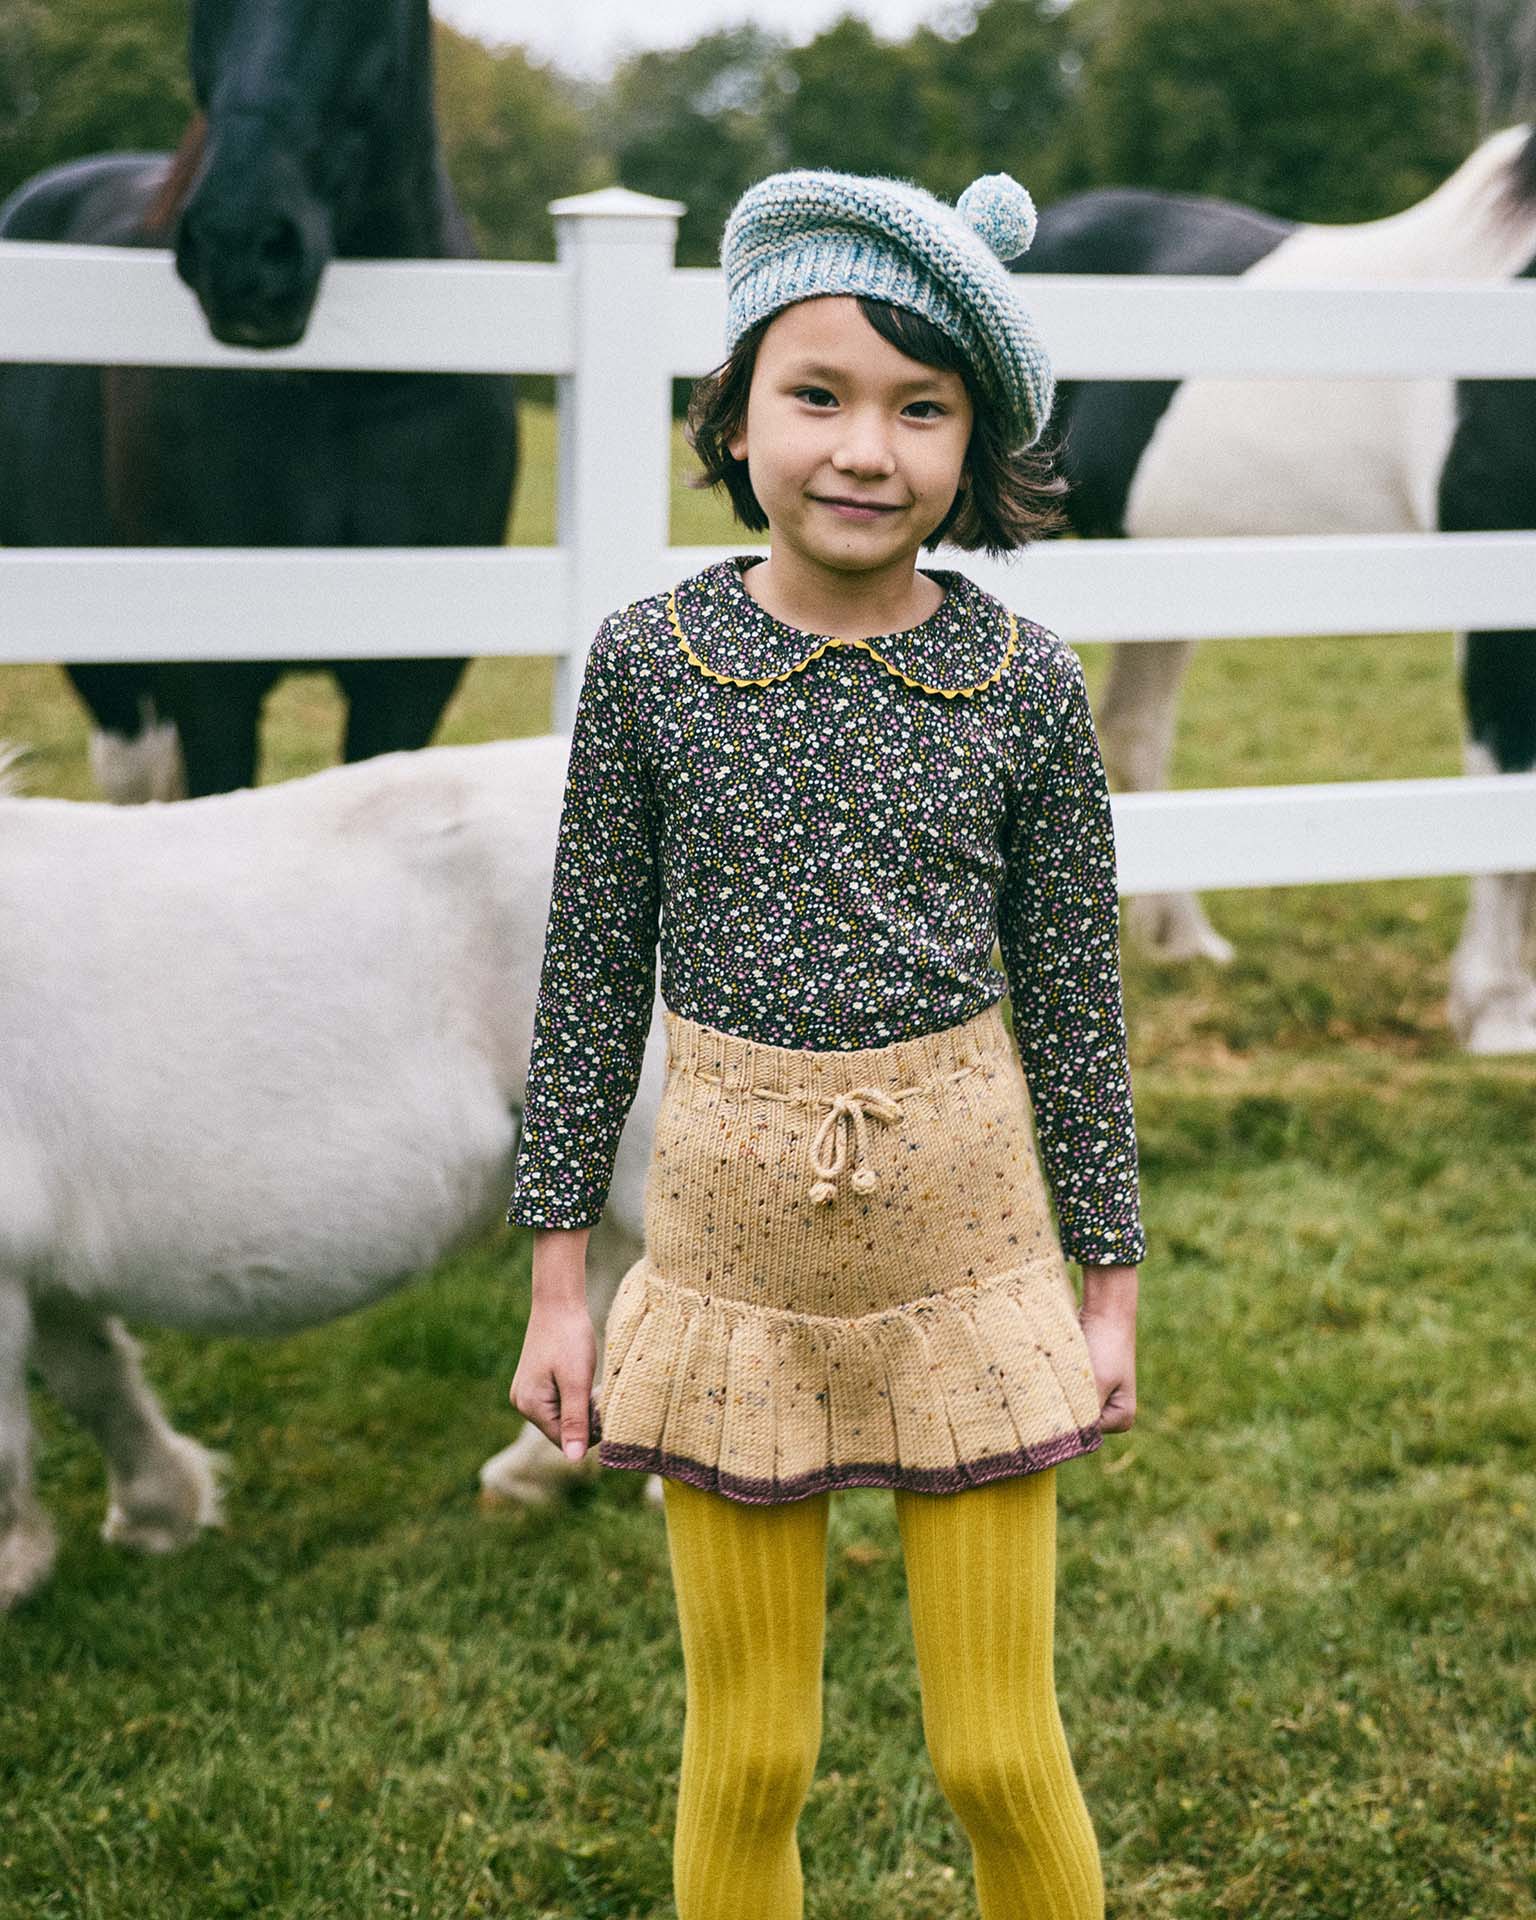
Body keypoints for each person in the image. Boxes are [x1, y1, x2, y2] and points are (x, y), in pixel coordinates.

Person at [506, 166, 1144, 1920]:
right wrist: (564, 1286)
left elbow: (1078, 1004)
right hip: (723, 1259)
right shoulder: (649, 666)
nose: (866, 449)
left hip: (970, 1257)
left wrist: (1108, 1288)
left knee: (999, 1758)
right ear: (734, 411)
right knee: (754, 1755)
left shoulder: (1024, 684)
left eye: (919, 409)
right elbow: (585, 983)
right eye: (820, 393)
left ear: (975, 443)